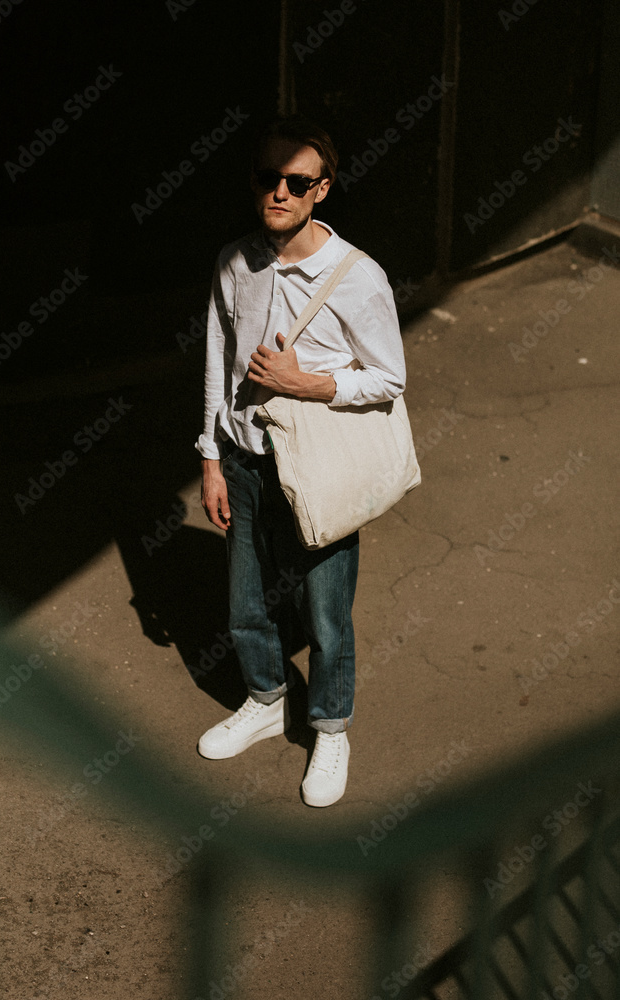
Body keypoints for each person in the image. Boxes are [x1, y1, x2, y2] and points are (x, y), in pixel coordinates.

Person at [195, 115, 406, 807]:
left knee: (325, 615)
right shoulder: (234, 261)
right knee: (245, 606)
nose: (279, 193)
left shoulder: (356, 276)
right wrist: (211, 456)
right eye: (268, 179)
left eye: (296, 182)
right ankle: (264, 698)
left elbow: (388, 379)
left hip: (316, 464)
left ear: (322, 189)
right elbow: (218, 364)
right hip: (245, 458)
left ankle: (330, 725)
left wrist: (305, 383)